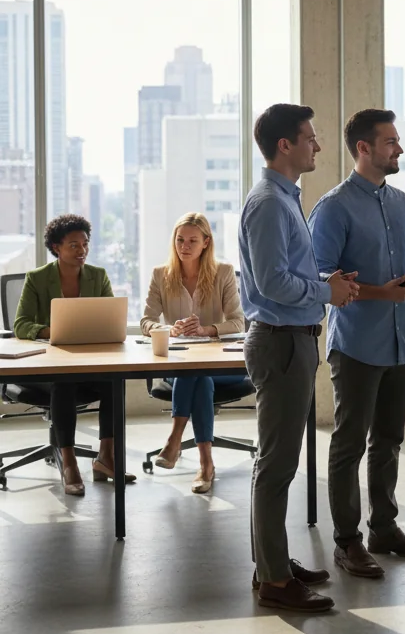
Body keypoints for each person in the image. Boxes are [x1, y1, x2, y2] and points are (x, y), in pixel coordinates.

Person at [239, 103, 360, 613]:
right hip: (281, 340)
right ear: (285, 145)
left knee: (279, 460)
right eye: (310, 137)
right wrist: (326, 292)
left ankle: (273, 562)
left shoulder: (285, 198)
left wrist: (324, 290)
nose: (318, 144)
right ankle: (272, 579)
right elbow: (272, 283)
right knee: (277, 463)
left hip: (293, 338)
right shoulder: (270, 202)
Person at [309, 109, 405, 580]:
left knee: (389, 440)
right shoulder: (333, 207)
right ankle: (347, 542)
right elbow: (319, 276)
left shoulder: (404, 204)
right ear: (364, 148)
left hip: (401, 341)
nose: (399, 149)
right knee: (349, 445)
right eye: (390, 142)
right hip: (358, 345)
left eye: (398, 141)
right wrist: (383, 292)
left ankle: (384, 528)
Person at [13, 214, 136, 496]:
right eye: (73, 245)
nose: (82, 251)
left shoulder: (98, 276)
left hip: (87, 364)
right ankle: (69, 463)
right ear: (56, 247)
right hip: (46, 370)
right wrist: (51, 330)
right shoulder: (37, 278)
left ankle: (107, 457)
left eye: (85, 244)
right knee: (64, 382)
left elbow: (109, 317)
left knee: (113, 381)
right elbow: (20, 324)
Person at [141, 212, 248, 494]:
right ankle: (205, 464)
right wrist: (168, 330)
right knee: (199, 378)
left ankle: (175, 439)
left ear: (206, 243)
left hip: (220, 363)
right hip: (181, 362)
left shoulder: (223, 272)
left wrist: (207, 330)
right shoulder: (160, 275)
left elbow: (238, 321)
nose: (184, 246)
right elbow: (146, 321)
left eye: (192, 240)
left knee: (200, 375)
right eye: (179, 240)